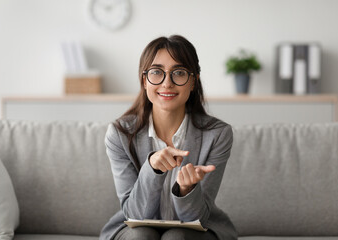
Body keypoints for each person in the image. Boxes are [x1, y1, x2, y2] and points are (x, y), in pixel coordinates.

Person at [100, 35, 237, 240]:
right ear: (144, 80)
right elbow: (135, 215)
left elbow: (198, 219)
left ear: (193, 82)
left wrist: (186, 190)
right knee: (141, 236)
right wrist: (152, 169)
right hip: (135, 231)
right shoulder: (119, 134)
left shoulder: (218, 135)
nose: (167, 83)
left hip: (195, 231)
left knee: (177, 237)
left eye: (179, 73)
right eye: (156, 72)